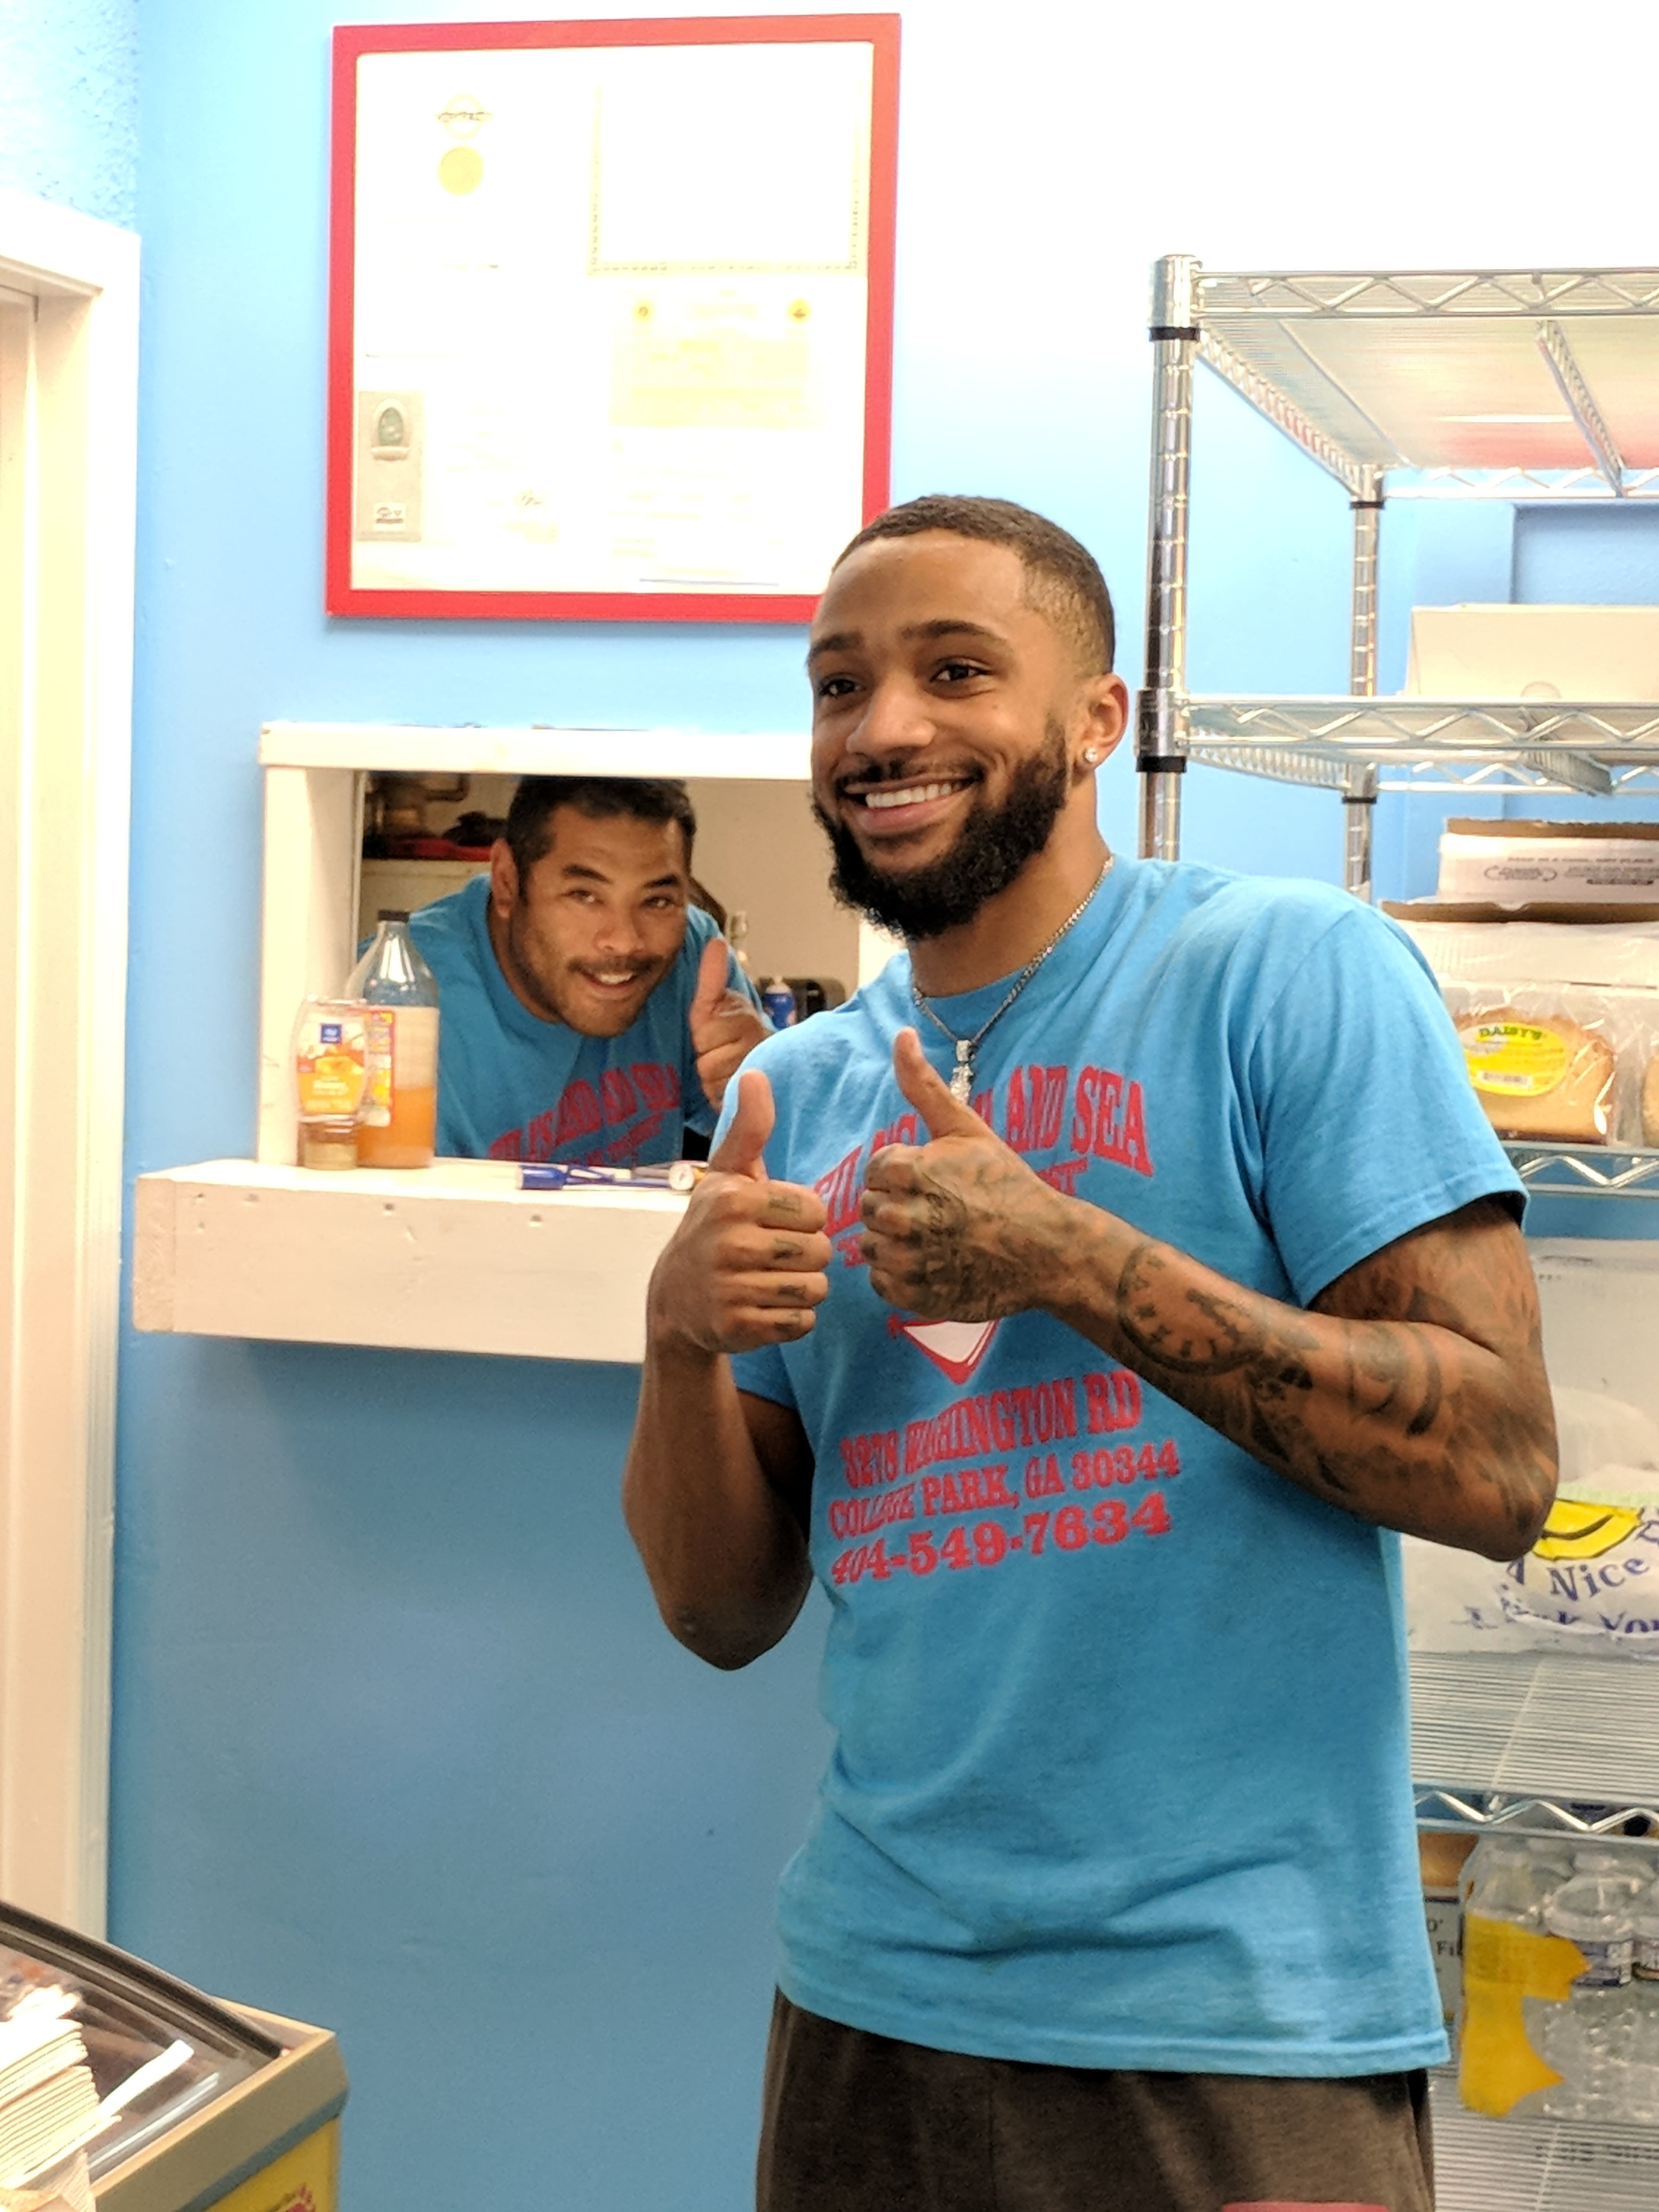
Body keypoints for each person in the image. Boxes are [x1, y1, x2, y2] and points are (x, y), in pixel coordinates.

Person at [622, 495, 1558, 2212]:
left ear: (1096, 719)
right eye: (839, 686)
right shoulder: (807, 1094)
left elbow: (1501, 1466)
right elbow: (719, 1607)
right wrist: (678, 1337)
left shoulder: (1285, 973)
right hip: (871, 1998)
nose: (882, 726)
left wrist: (1073, 1255)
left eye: (955, 669)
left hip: (1233, 2024)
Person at [407, 775, 771, 1163]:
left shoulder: (696, 956)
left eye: (658, 900)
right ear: (508, 882)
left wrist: (765, 1079)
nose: (625, 941)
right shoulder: (404, 993)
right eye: (585, 896)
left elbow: (794, 1164)